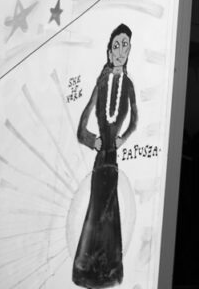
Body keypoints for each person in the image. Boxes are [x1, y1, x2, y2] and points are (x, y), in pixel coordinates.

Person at [74, 23, 139, 289]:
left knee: (110, 213)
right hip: (101, 159)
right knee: (98, 210)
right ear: (109, 51)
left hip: (114, 160)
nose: (121, 50)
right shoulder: (101, 83)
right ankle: (88, 269)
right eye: (116, 45)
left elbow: (134, 120)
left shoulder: (129, 85)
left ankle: (109, 271)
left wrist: (124, 138)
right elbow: (81, 128)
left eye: (125, 45)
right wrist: (93, 140)